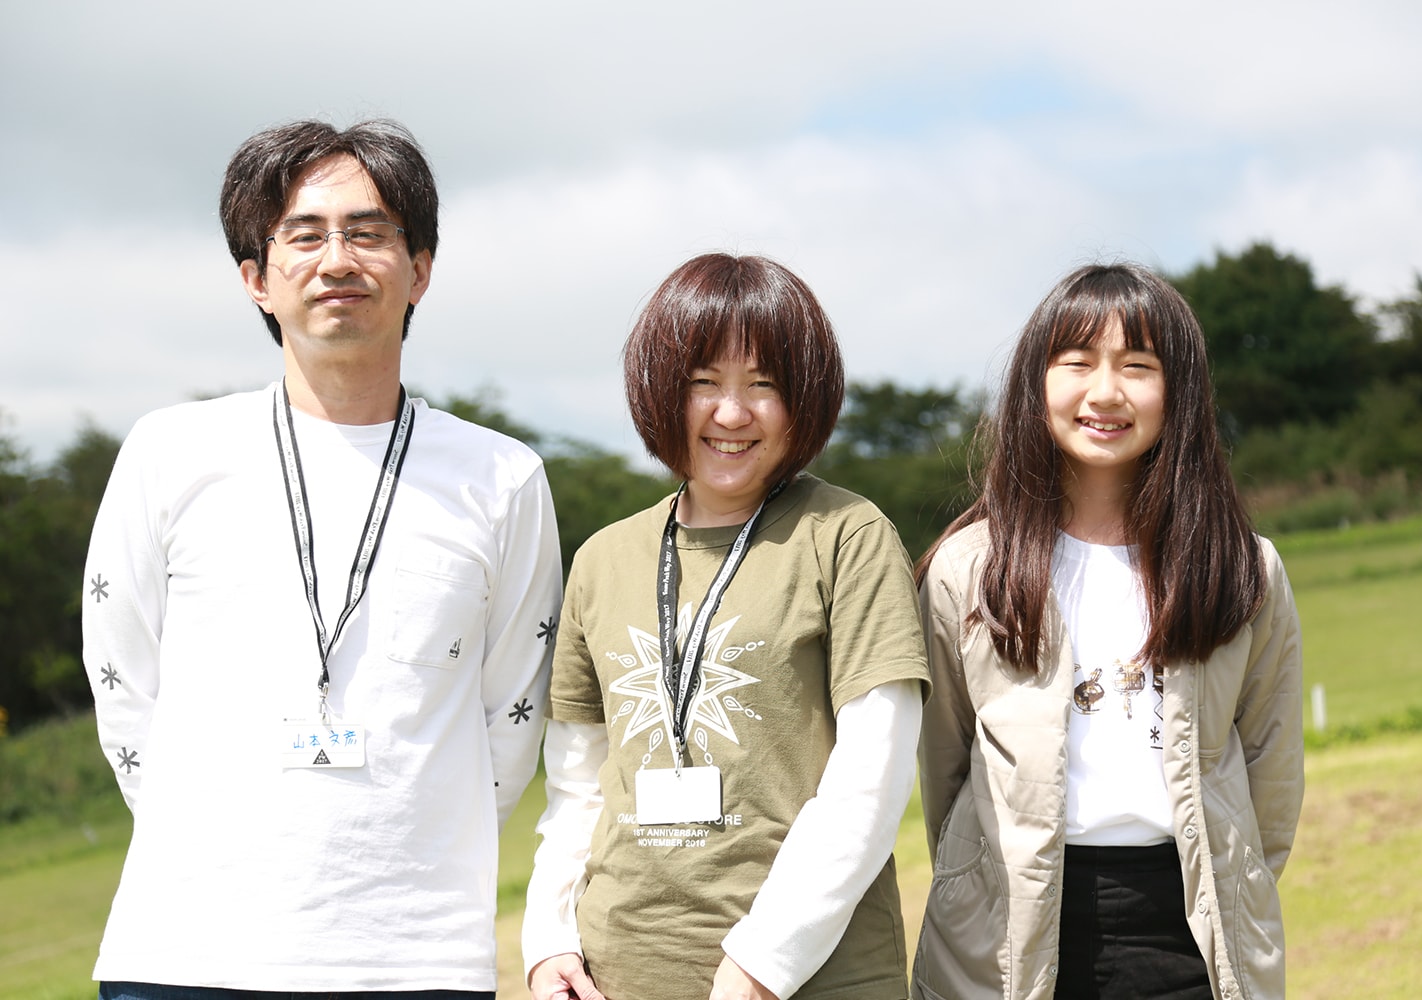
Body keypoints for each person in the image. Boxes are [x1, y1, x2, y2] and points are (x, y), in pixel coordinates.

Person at [81, 119, 562, 999]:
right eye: (304, 235)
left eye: (368, 232)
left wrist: (418, 846)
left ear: (420, 270)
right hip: (183, 952)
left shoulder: (502, 477)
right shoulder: (170, 453)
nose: (337, 259)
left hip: (416, 957)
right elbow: (122, 679)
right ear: (256, 280)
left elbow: (513, 710)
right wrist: (202, 834)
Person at [521, 253, 930, 1000]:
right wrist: (548, 942)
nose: (732, 413)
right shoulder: (603, 558)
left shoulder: (847, 535)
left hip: (808, 980)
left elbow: (872, 779)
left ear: (804, 397)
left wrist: (761, 967)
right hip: (619, 974)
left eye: (763, 384)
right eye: (702, 383)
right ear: (658, 391)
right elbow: (577, 784)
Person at [910, 263, 1303, 1000]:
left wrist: (1239, 883)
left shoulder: (1241, 566)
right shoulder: (969, 569)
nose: (1105, 392)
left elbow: (1270, 766)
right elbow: (945, 765)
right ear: (1036, 383)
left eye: (1138, 366)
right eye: (1077, 362)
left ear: (1179, 391)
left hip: (1191, 929)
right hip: (1009, 932)